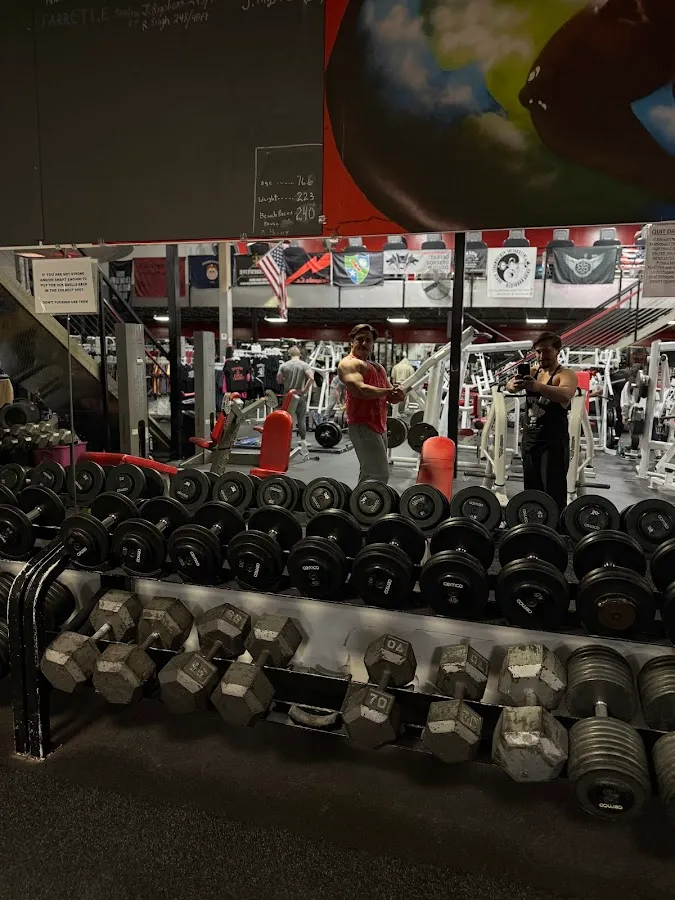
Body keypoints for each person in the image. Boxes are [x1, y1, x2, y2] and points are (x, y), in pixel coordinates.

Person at [506, 331, 578, 511]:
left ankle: (555, 526)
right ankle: (533, 522)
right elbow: (509, 386)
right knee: (531, 490)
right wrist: (512, 385)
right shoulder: (532, 371)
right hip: (530, 440)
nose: (541, 356)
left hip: (552, 442)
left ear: (557, 350)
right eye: (538, 351)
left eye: (546, 351)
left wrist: (538, 386)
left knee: (553, 491)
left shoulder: (565, 374)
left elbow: (566, 394)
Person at [338, 323, 404, 484]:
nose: (364, 343)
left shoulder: (378, 367)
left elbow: (391, 397)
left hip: (380, 425)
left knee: (370, 472)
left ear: (373, 345)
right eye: (360, 339)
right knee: (378, 474)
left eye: (368, 340)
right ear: (351, 341)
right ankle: (368, 501)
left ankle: (361, 500)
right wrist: (388, 391)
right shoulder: (348, 364)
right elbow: (359, 390)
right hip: (362, 425)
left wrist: (399, 393)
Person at [277, 346, 314, 442]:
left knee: (287, 419)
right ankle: (303, 441)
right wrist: (305, 390)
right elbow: (311, 378)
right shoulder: (304, 365)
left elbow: (279, 380)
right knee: (301, 419)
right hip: (300, 394)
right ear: (299, 354)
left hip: (288, 395)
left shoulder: (284, 366)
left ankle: (285, 440)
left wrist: (286, 381)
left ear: (289, 354)